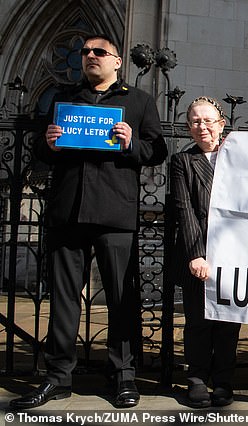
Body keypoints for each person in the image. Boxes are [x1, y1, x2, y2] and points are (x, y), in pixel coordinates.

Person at [10, 34, 167, 409]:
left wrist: (131, 143)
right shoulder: (65, 100)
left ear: (116, 61)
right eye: (85, 52)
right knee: (63, 299)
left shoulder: (138, 101)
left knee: (120, 299)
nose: (90, 57)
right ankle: (58, 377)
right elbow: (38, 152)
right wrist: (46, 144)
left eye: (99, 52)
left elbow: (157, 150)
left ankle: (123, 376)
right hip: (69, 211)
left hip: (115, 213)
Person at [170, 97, 241, 408]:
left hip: (235, 253)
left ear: (221, 124)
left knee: (228, 321)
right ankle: (197, 378)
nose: (202, 126)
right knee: (198, 321)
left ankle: (224, 380)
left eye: (208, 121)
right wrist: (196, 255)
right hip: (199, 252)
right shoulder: (182, 162)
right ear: (189, 128)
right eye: (196, 122)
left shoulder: (240, 159)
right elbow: (184, 210)